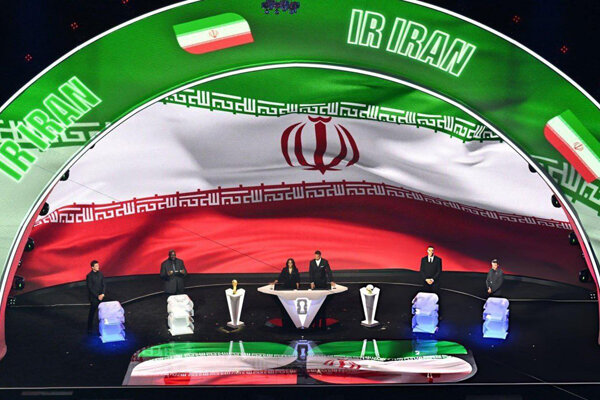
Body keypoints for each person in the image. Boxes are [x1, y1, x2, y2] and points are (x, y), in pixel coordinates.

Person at [309, 250, 335, 330]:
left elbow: (328, 271)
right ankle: (315, 318)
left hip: (323, 283)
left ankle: (323, 319)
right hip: (315, 283)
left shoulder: (324, 262)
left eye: (317, 256)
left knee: (322, 299)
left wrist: (331, 280)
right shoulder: (312, 262)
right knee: (315, 299)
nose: (316, 257)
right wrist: (311, 282)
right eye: (315, 256)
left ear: (320, 255)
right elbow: (311, 273)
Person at [86, 260, 106, 334]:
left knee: (103, 312)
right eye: (96, 266)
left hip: (101, 296)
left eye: (98, 265)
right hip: (94, 297)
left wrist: (102, 294)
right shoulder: (89, 276)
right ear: (92, 267)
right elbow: (90, 288)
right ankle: (89, 328)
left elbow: (104, 284)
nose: (98, 267)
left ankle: (102, 326)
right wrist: (97, 296)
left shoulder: (101, 274)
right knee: (92, 312)